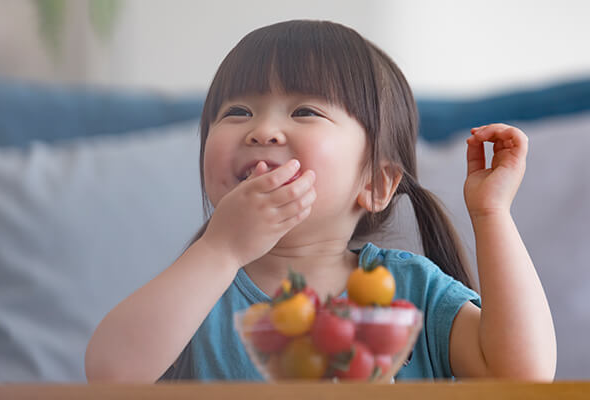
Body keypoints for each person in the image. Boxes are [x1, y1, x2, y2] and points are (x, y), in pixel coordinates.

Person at [84, 20, 556, 382]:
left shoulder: (410, 290)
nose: (262, 130)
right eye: (238, 111)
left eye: (304, 111)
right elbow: (109, 373)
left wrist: (492, 214)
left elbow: (522, 374)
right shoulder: (197, 290)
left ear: (377, 183)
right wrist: (221, 250)